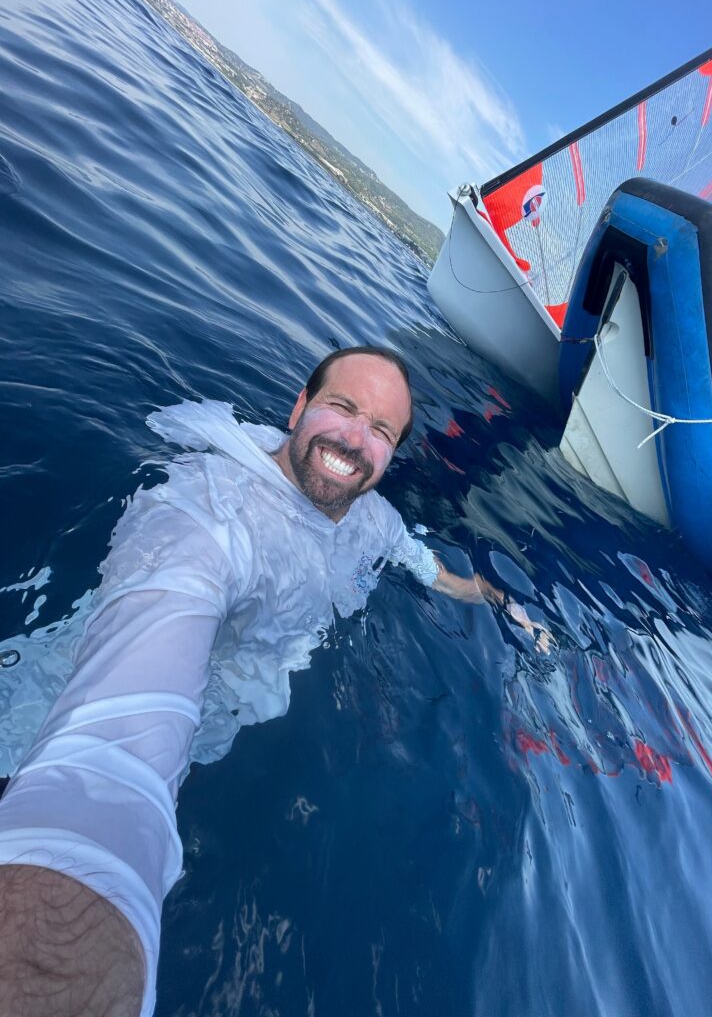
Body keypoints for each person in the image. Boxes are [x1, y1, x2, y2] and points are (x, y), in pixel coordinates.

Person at [0, 347, 550, 1017]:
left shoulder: (369, 515)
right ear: (299, 407)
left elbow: (411, 556)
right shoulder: (210, 510)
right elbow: (109, 760)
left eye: (381, 430)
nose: (355, 438)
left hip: (213, 727)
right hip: (52, 721)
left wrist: (489, 596)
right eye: (344, 408)